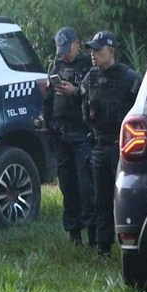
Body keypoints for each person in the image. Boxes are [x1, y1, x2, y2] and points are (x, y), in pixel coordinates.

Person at [80, 31, 141, 257]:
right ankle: (102, 246)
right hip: (99, 145)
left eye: (98, 50)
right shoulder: (89, 79)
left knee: (125, 195)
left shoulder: (129, 78)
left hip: (122, 146)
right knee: (101, 198)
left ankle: (133, 242)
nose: (93, 55)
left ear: (112, 52)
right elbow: (85, 113)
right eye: (92, 50)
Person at [42, 27, 96, 248]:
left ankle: (94, 237)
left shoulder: (89, 67)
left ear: (77, 43)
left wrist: (75, 92)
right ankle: (74, 234)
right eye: (61, 50)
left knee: (87, 188)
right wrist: (48, 124)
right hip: (61, 135)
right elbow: (47, 100)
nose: (65, 54)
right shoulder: (57, 67)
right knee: (68, 187)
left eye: (67, 49)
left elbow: (96, 97)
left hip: (82, 134)